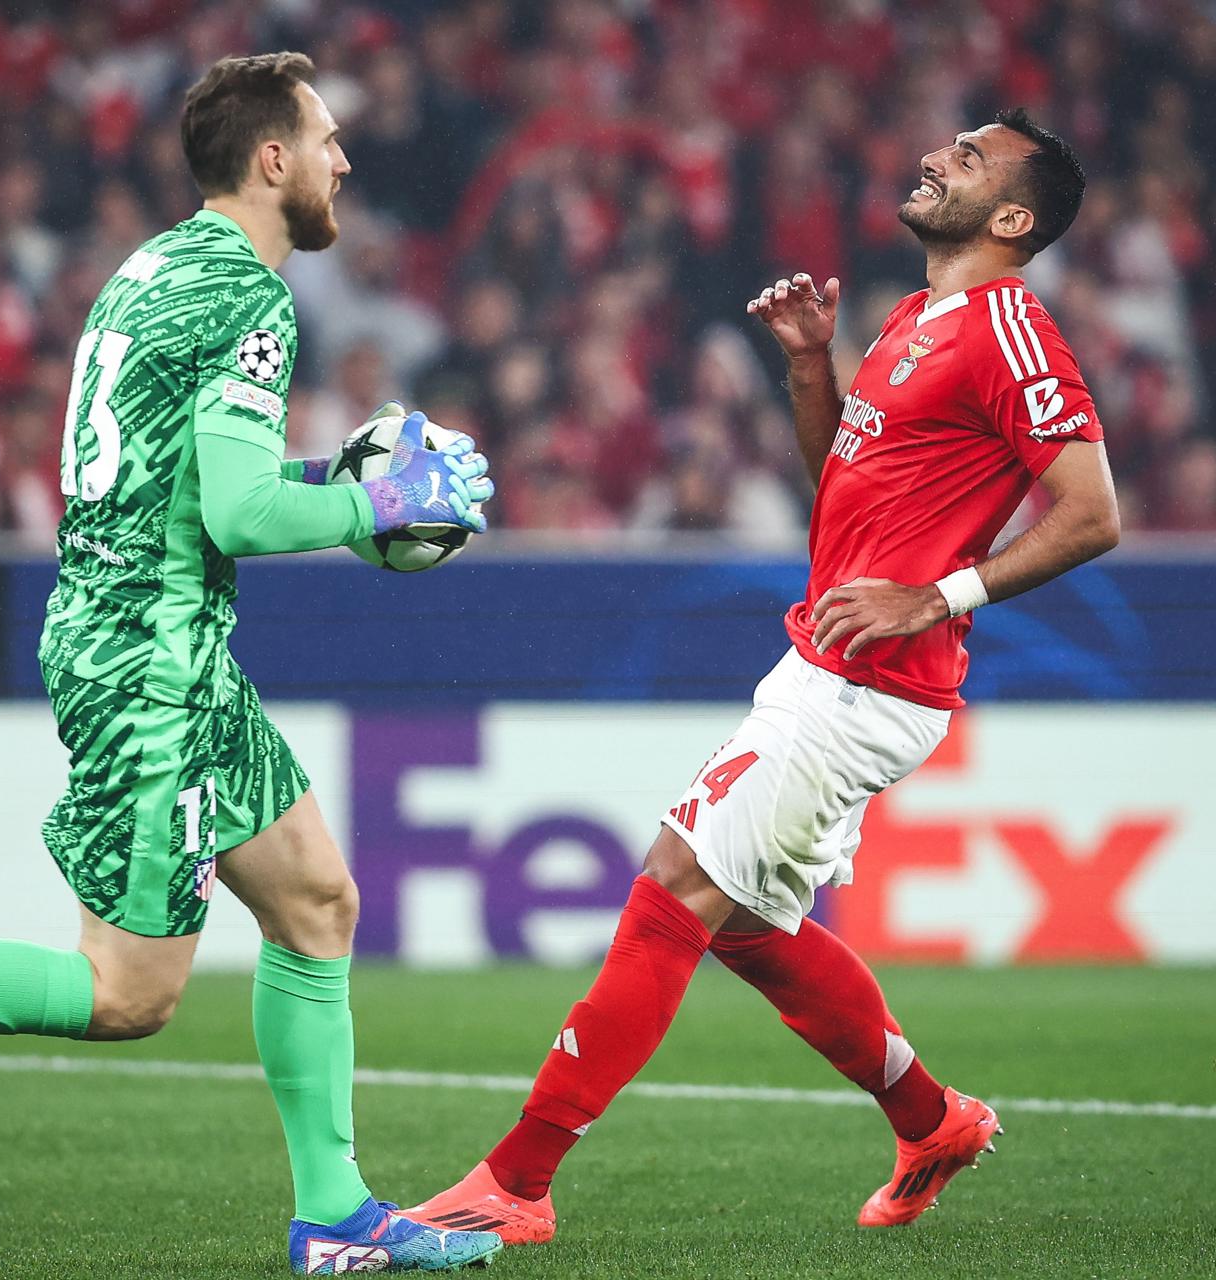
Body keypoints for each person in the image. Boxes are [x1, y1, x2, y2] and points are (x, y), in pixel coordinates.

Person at [0, 52, 501, 1276]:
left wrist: (338, 485)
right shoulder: (248, 293)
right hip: (150, 657)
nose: (348, 159)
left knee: (316, 901)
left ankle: (336, 1215)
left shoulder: (156, 266)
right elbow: (237, 516)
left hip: (157, 632)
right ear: (273, 158)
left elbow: (192, 487)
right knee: (127, 990)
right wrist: (366, 510)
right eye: (329, 138)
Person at [406, 108, 1118, 1240]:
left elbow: (1092, 516)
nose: (938, 156)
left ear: (1014, 217)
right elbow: (837, 487)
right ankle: (930, 1118)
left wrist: (935, 595)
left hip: (871, 679)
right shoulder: (913, 318)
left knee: (674, 886)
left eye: (971, 158)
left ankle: (517, 1182)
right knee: (738, 920)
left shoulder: (1012, 332)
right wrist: (807, 367)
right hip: (825, 660)